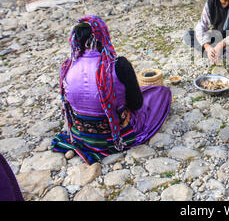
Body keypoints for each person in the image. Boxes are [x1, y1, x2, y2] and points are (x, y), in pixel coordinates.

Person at [51, 15, 172, 165]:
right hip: (115, 135)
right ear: (103, 35)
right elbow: (136, 104)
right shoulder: (117, 65)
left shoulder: (67, 66)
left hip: (80, 135)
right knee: (161, 93)